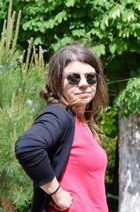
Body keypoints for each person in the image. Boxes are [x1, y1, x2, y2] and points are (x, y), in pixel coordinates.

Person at [15, 44, 109, 212]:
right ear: (57, 82)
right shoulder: (59, 113)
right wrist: (57, 193)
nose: (83, 84)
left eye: (91, 77)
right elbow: (28, 146)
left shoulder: (80, 121)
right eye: (74, 78)